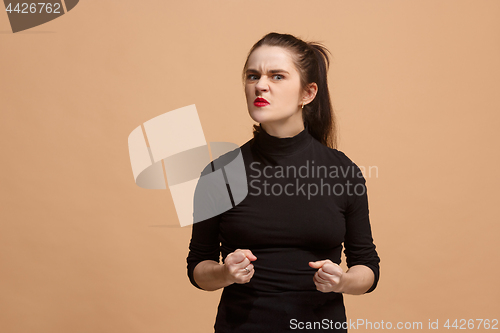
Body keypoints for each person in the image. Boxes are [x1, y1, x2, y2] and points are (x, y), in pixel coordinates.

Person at [186, 32, 380, 332]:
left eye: (277, 76)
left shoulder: (342, 171)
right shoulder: (219, 173)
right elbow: (199, 267)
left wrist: (342, 281)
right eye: (253, 76)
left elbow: (367, 267)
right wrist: (225, 273)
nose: (260, 85)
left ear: (308, 93)